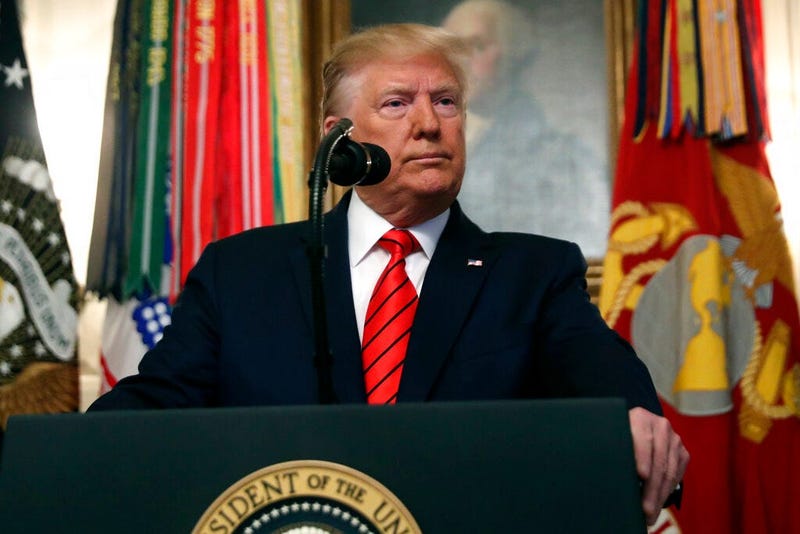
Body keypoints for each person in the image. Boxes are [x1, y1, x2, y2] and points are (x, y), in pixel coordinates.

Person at [89, 23, 688, 525]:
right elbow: (161, 400)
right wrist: (53, 455)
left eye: (446, 101)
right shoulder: (243, 272)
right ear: (338, 140)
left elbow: (600, 367)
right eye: (397, 103)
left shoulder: (532, 272)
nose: (429, 123)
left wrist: (634, 414)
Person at [442, 0, 610, 257]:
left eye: (476, 46)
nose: (460, 63)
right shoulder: (424, 143)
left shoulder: (564, 157)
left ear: (512, 55)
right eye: (451, 51)